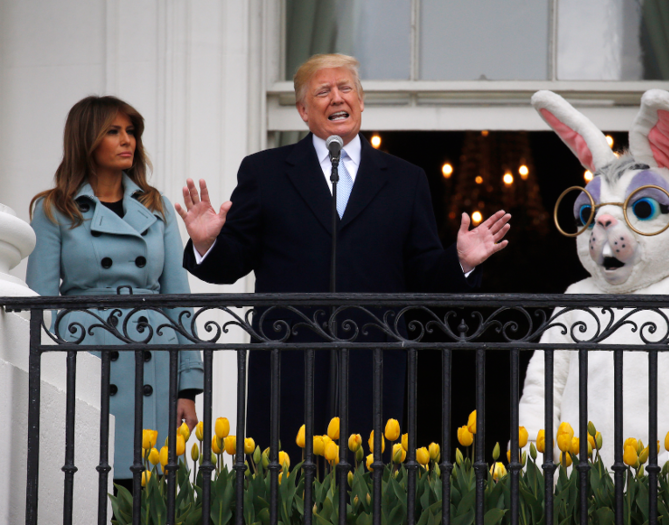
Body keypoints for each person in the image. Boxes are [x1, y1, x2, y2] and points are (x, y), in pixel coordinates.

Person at [176, 54, 510, 455]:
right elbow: (234, 262)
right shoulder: (264, 172)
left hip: (373, 367)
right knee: (286, 497)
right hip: (288, 366)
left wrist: (461, 262)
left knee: (367, 498)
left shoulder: (406, 179)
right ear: (302, 109)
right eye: (323, 91)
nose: (337, 98)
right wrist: (207, 242)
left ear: (361, 101)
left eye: (346, 88)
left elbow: (422, 273)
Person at [26, 96, 204, 490]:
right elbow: (39, 301)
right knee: (88, 482)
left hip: (152, 359)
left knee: (147, 489)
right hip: (87, 354)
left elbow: (178, 296)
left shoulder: (156, 207)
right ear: (86, 140)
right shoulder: (55, 209)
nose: (128, 141)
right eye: (113, 131)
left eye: (131, 132)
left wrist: (187, 386)